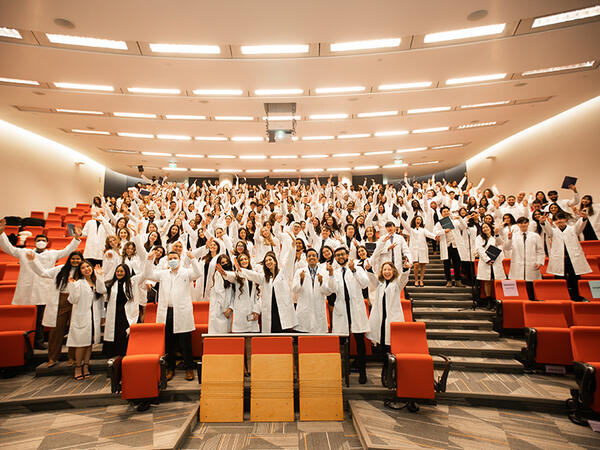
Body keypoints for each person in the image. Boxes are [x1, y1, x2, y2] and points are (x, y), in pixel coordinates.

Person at [0, 218, 81, 350]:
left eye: (43, 240)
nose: (41, 242)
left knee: (40, 318)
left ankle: (39, 340)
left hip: (44, 289)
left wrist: (77, 238)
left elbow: (67, 250)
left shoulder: (52, 254)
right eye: (38, 240)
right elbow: (7, 248)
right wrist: (1, 234)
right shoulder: (24, 252)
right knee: (26, 317)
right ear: (34, 242)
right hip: (28, 289)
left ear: (47, 243)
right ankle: (25, 343)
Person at [143, 249, 202, 382]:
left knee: (185, 342)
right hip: (167, 311)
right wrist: (149, 260)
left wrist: (192, 259)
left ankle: (188, 368)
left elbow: (198, 273)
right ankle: (170, 368)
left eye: (175, 258)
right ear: (168, 261)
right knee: (168, 342)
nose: (173, 260)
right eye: (170, 259)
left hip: (182, 311)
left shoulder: (186, 272)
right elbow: (148, 274)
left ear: (179, 259)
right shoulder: (163, 274)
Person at [28, 251, 85, 366]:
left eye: (78, 259)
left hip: (78, 302)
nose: (75, 261)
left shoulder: (84, 270)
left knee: (75, 330)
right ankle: (53, 358)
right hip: (61, 301)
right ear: (69, 259)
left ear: (81, 260)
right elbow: (43, 273)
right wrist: (33, 261)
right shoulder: (60, 269)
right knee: (56, 330)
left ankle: (72, 357)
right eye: (73, 259)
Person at [236, 239, 297, 333]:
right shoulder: (265, 278)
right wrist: (240, 270)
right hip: (270, 309)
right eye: (266, 261)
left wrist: (293, 247)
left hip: (282, 309)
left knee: (284, 333)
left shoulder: (283, 273)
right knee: (272, 332)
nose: (268, 262)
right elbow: (253, 275)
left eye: (270, 260)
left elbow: (289, 260)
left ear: (275, 261)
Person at [328, 247, 370, 384]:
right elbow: (331, 289)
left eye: (342, 254)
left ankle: (363, 372)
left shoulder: (357, 268)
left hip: (355, 309)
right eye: (337, 255)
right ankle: (340, 370)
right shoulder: (336, 272)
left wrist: (353, 270)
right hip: (342, 310)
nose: (340, 256)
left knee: (359, 340)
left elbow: (364, 284)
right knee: (341, 342)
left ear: (347, 255)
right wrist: (330, 275)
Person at [366, 261, 410, 377]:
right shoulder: (380, 283)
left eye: (389, 270)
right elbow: (373, 279)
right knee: (383, 345)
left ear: (393, 271)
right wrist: (369, 269)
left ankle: (390, 369)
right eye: (384, 270)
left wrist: (405, 270)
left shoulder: (397, 284)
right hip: (381, 319)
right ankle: (386, 368)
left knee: (391, 345)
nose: (387, 272)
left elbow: (403, 279)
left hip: (392, 318)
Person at [543, 211, 591, 300]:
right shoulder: (553, 232)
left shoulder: (573, 229)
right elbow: (546, 229)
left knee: (575, 279)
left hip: (572, 259)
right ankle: (562, 297)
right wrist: (543, 222)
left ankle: (577, 297)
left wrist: (583, 218)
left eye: (560, 219)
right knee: (560, 280)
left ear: (565, 219)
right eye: (556, 220)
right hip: (560, 259)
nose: (559, 221)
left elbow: (580, 225)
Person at [103, 264, 141, 357]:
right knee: (114, 333)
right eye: (117, 271)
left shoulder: (132, 282)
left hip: (126, 312)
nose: (119, 273)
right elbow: (101, 291)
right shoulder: (110, 283)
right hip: (114, 312)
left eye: (121, 271)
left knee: (123, 333)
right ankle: (113, 355)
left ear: (126, 272)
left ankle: (124, 354)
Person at [504, 217, 545, 299]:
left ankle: (532, 304)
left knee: (531, 288)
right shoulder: (513, 235)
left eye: (525, 223)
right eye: (521, 223)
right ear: (518, 225)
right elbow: (507, 248)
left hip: (531, 264)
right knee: (518, 288)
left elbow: (540, 250)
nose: (523, 225)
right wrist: (509, 239)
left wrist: (539, 262)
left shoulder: (535, 235)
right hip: (517, 265)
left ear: (528, 223)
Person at [292, 248, 331, 333]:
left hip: (318, 308)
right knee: (304, 337)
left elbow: (328, 292)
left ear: (317, 258)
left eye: (314, 255)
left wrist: (321, 283)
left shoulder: (324, 272)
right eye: (309, 256)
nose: (311, 257)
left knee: (318, 340)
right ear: (306, 259)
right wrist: (301, 280)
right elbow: (295, 289)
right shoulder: (300, 272)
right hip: (304, 308)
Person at [434, 207, 467, 287]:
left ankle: (458, 280)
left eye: (447, 211)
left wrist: (460, 219)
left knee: (457, 264)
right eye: (444, 211)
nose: (446, 212)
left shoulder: (455, 222)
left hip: (455, 245)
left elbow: (464, 227)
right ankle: (448, 280)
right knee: (447, 264)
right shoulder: (439, 224)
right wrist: (444, 231)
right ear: (441, 214)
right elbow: (435, 232)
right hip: (446, 245)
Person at [475, 223, 506, 307]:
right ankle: (488, 300)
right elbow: (479, 249)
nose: (485, 229)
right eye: (483, 227)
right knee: (487, 281)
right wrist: (487, 259)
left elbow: (499, 243)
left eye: (487, 227)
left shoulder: (494, 236)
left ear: (490, 228)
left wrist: (496, 234)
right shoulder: (479, 238)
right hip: (486, 262)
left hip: (496, 261)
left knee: (497, 281)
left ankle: (498, 299)